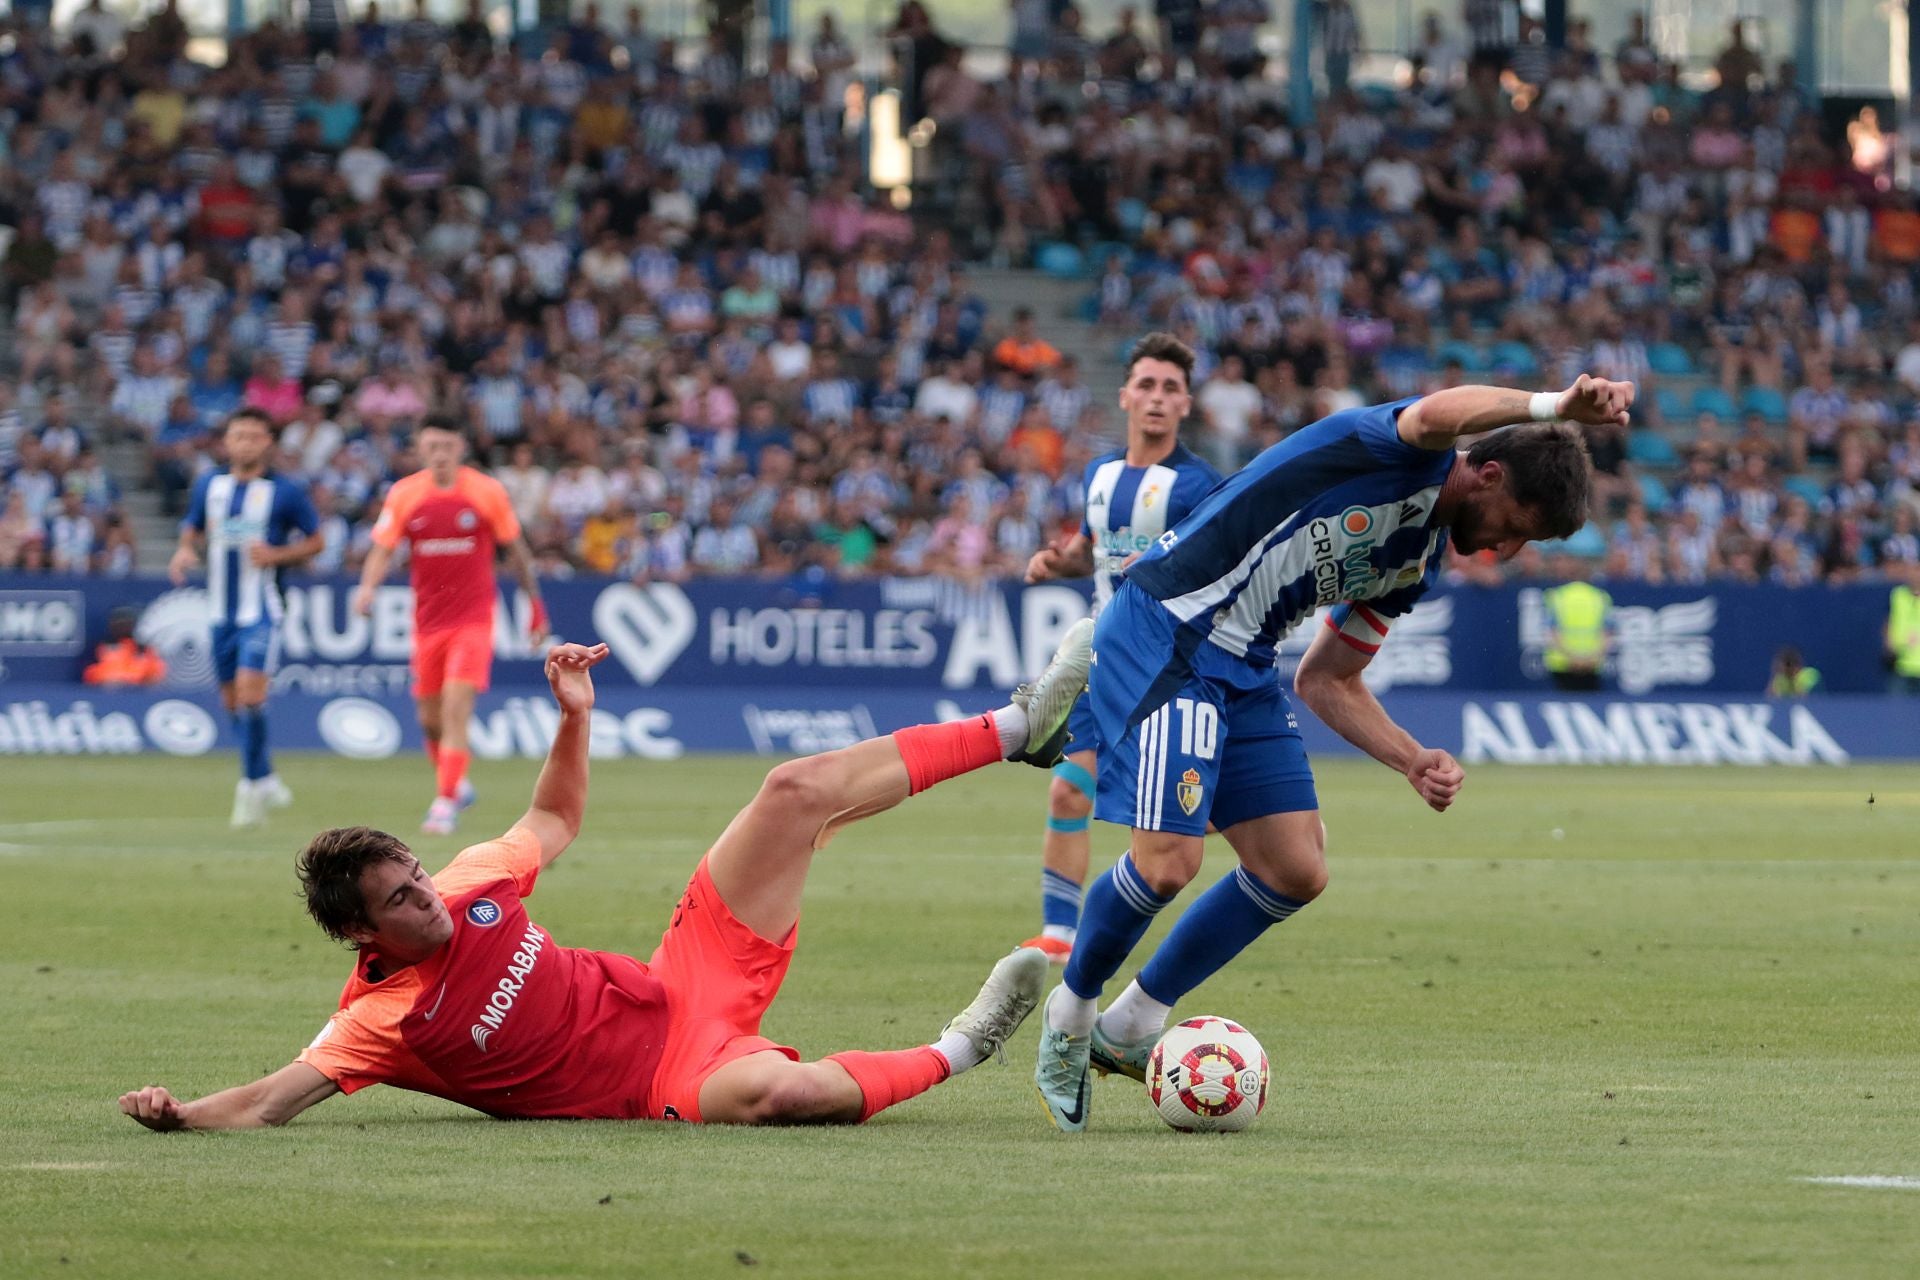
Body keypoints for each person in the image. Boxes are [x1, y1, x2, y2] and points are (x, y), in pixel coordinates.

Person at [117, 627, 1094, 1131]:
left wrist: (572, 715)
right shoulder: (381, 1022)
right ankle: (965, 1046)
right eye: (405, 898)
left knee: (793, 788)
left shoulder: (470, 883)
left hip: (682, 976)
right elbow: (266, 1101)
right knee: (780, 1097)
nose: (430, 894)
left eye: (417, 872)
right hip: (668, 1078)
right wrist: (181, 1112)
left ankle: (1020, 728)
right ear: (363, 937)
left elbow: (551, 818)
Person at [1033, 374, 1629, 1132]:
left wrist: (1410, 758)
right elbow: (1442, 409)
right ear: (1488, 473)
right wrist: (1552, 407)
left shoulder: (1414, 563)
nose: (1508, 549)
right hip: (1169, 630)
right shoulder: (1396, 449)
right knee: (1168, 863)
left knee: (1296, 868)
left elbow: (1328, 680)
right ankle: (1072, 1015)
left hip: (1243, 663)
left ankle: (1129, 1026)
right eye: (1516, 525)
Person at [1016, 333, 1222, 963]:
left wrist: (1163, 564)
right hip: (1106, 656)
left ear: (1185, 404)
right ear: (1127, 395)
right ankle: (1059, 933)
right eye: (1148, 386)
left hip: (1170, 667)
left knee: (1175, 819)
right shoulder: (1100, 474)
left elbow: (1220, 566)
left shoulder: (1197, 485)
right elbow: (1092, 546)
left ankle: (1250, 812)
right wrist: (1060, 562)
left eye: (1171, 389)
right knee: (1067, 790)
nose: (1157, 398)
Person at [352, 417, 547, 836]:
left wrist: (535, 605)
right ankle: (457, 782)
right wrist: (367, 588)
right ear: (420, 449)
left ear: (461, 447)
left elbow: (516, 551)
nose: (440, 453)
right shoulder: (405, 494)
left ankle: (444, 803)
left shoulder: (485, 491)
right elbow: (382, 549)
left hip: (473, 619)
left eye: (447, 445)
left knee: (457, 707)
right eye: (432, 446)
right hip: (428, 623)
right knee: (429, 720)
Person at [169, 409, 324, 829]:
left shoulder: (285, 491)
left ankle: (248, 786)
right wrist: (185, 549)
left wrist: (277, 555)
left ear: (267, 442)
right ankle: (265, 775)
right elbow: (192, 525)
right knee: (233, 703)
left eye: (254, 436)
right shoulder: (209, 484)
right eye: (238, 435)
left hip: (262, 611)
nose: (245, 443)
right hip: (220, 612)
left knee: (251, 694)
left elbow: (316, 540)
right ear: (227, 441)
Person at [1541, 561, 1613, 692]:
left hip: (1562, 664)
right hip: (1592, 664)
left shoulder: (1557, 596)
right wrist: (1591, 658)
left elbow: (1551, 634)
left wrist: (1573, 659)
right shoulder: (1600, 597)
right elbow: (1607, 635)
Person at [82, 606, 168, 687]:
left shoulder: (143, 649)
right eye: (118, 623)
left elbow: (155, 672)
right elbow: (94, 674)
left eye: (126, 623)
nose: (122, 626)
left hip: (139, 693)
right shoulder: (104, 646)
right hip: (109, 693)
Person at [1886, 561, 1920, 694]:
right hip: (1902, 668)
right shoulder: (1897, 595)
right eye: (1913, 571)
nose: (1915, 576)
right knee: (1898, 713)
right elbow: (1888, 621)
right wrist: (1889, 644)